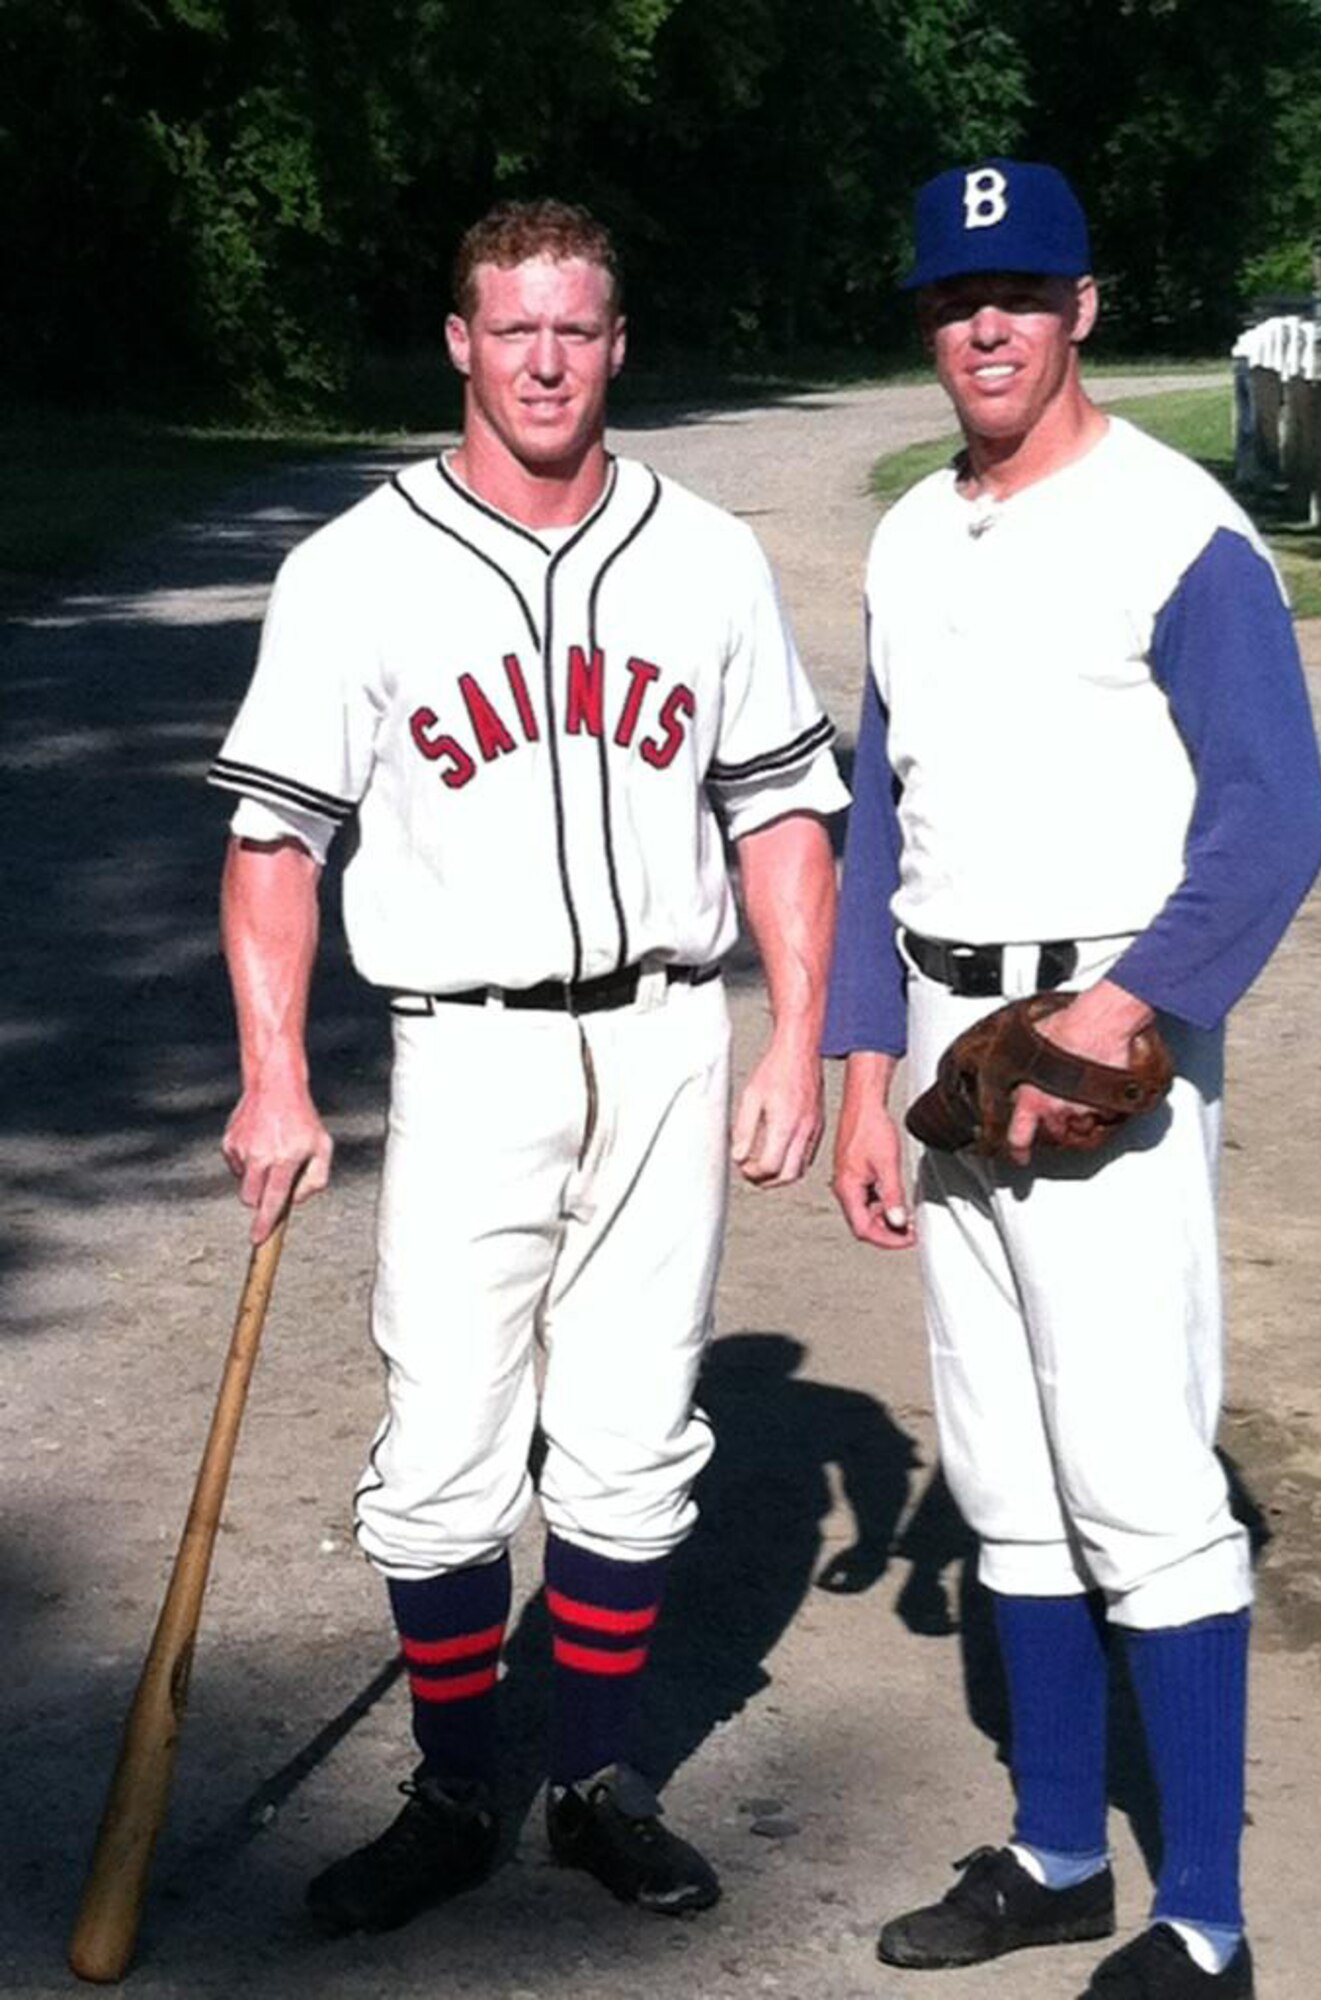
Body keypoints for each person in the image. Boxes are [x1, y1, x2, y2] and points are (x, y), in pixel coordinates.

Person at [210, 197, 846, 1936]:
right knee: (444, 1457)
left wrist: (792, 1033)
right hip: (466, 1050)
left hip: (660, 1033)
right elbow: (278, 840)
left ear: (617, 344)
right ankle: (459, 1781)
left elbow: (783, 803)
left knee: (634, 1442)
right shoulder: (355, 568)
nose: (547, 361)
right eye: (515, 329)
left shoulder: (705, 555)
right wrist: (275, 1072)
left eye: (578, 329)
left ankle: (598, 1779)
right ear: (461, 345)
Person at [824, 159, 1321, 2000]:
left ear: (1085, 307)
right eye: (961, 297)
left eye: (1024, 293)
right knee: (1005, 1478)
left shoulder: (1175, 530)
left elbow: (1280, 820)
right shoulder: (907, 534)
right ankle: (1055, 1856)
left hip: (1102, 1066)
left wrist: (1125, 1020)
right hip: (950, 1067)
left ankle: (1205, 1917)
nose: (989, 325)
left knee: (1139, 1482)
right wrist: (858, 1053)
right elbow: (883, 805)